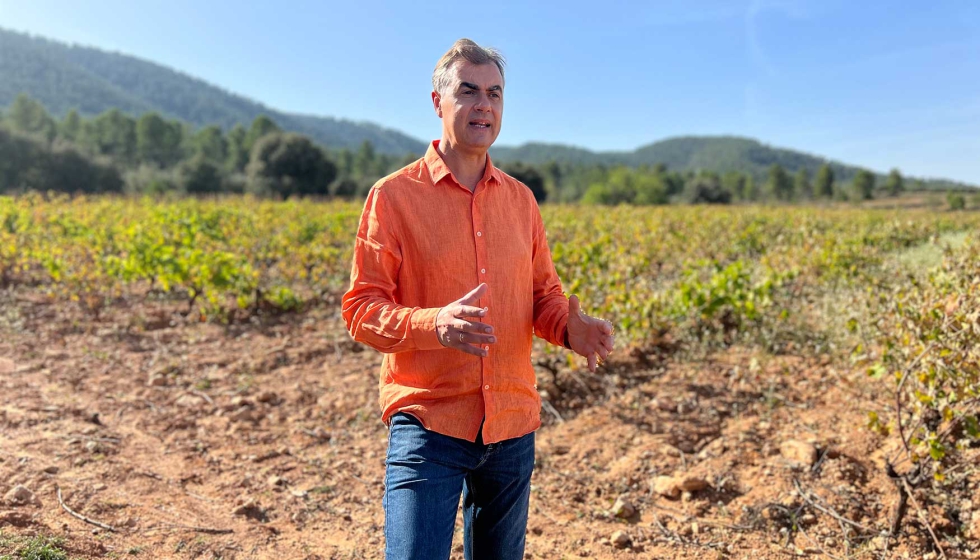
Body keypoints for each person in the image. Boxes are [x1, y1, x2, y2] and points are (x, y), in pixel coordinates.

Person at [342, 38, 615, 560]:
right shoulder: (394, 197)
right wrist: (435, 323)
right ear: (437, 101)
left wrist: (569, 329)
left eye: (494, 93)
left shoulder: (521, 200)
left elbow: (543, 297)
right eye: (468, 91)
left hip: (512, 427)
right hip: (430, 425)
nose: (484, 105)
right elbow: (360, 311)